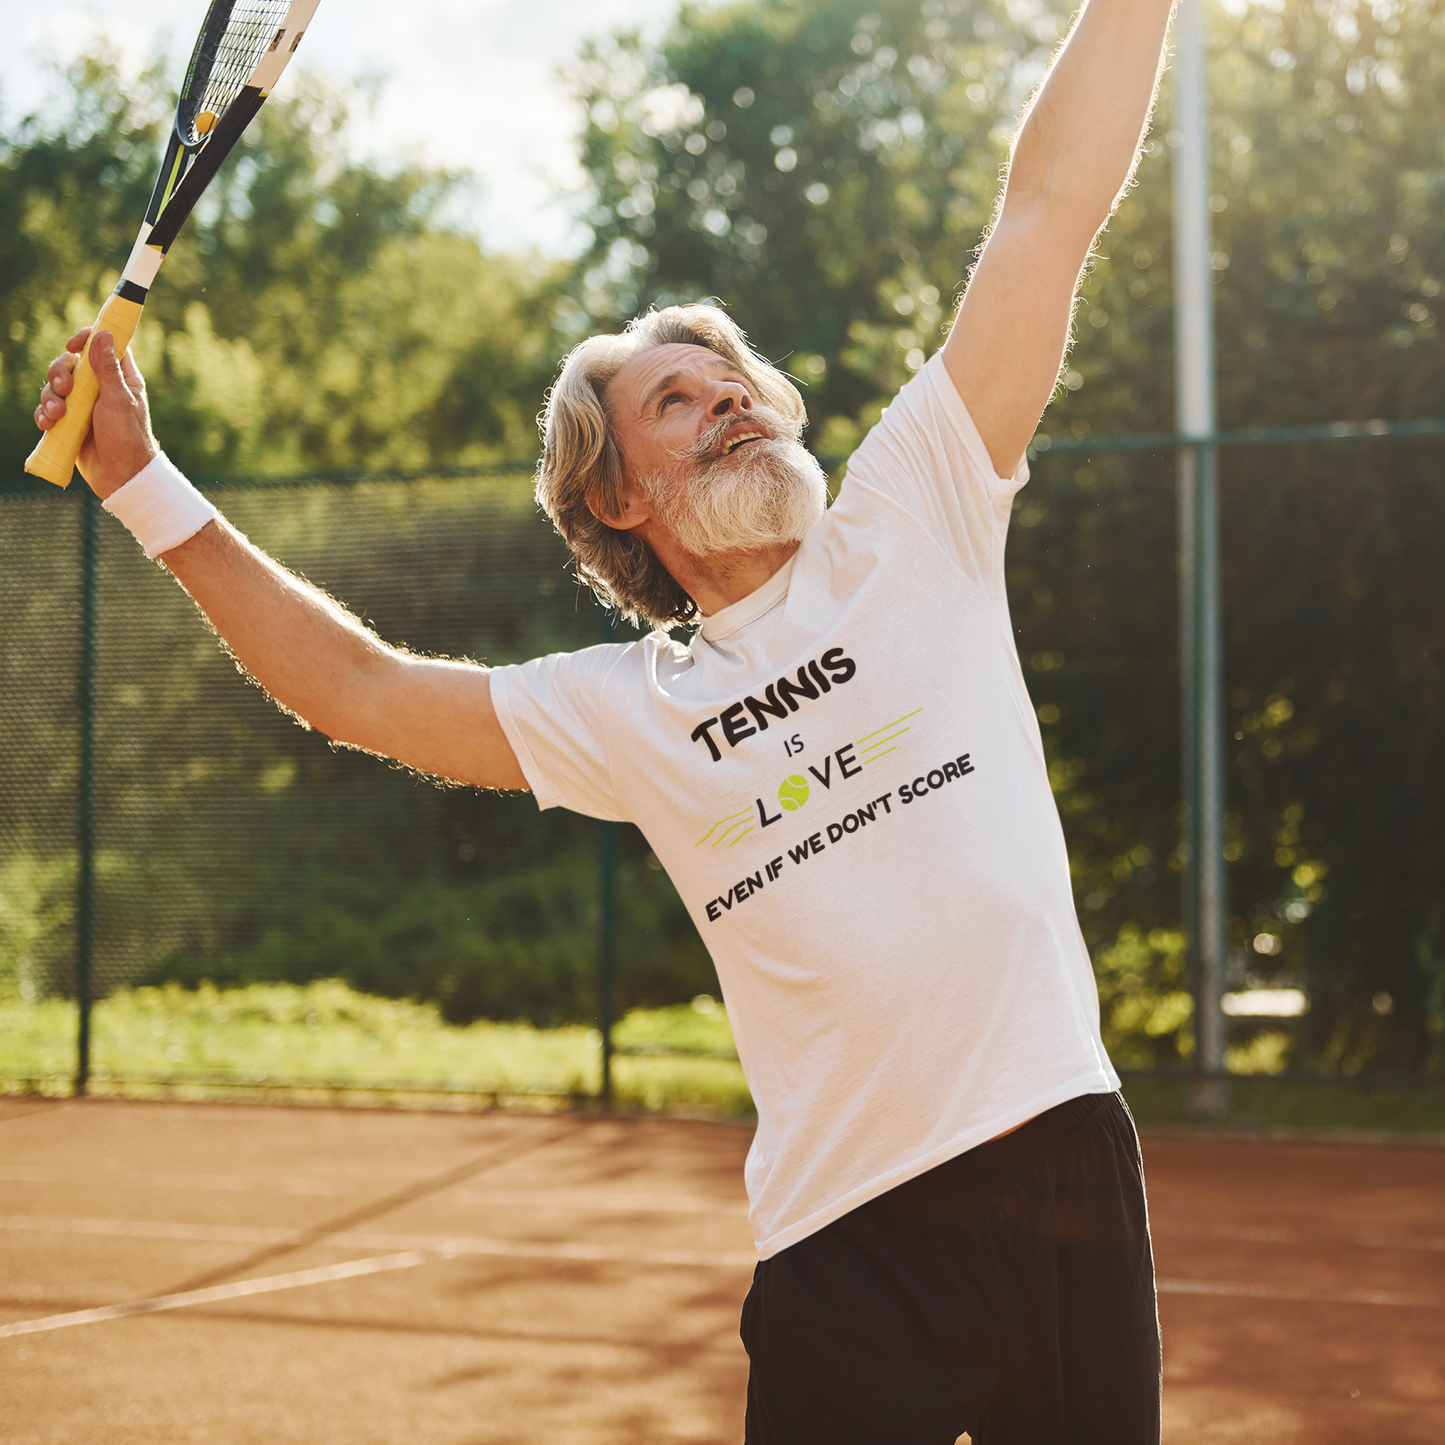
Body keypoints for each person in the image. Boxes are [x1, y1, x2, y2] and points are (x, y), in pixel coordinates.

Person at [36, 0, 1177, 1437]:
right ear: (622, 501)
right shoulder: (629, 707)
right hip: (848, 1245)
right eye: (677, 401)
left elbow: (1047, 210)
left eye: (733, 383)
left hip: (1058, 1164)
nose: (729, 402)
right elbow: (358, 691)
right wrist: (143, 482)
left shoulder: (918, 515)